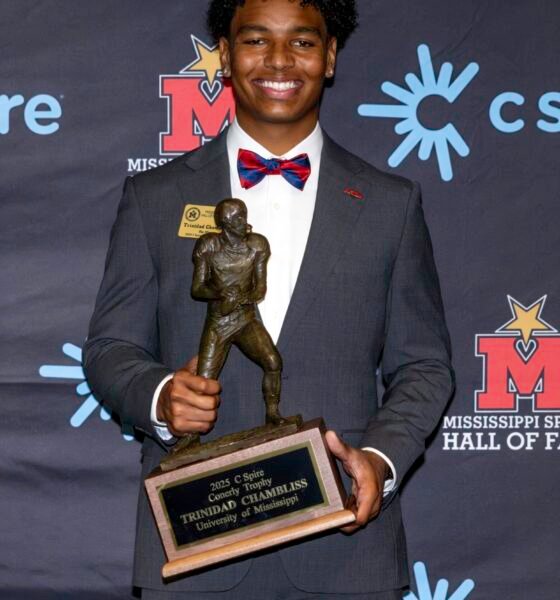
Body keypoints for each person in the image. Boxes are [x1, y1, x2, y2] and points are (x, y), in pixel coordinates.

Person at [84, 1, 454, 599]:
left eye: (302, 42)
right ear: (226, 56)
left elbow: (425, 366)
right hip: (197, 545)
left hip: (345, 552)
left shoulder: (391, 204)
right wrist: (160, 396)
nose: (279, 60)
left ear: (329, 56)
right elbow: (110, 348)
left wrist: (379, 461)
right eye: (256, 40)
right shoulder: (154, 198)